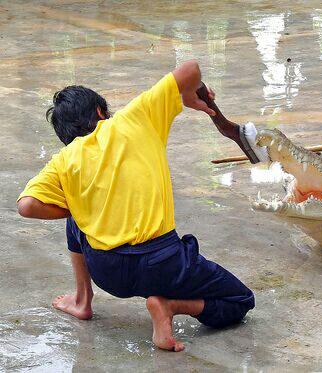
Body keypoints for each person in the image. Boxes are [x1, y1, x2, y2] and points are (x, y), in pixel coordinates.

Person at [16, 60, 255, 352]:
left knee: (76, 212)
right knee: (240, 300)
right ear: (100, 112)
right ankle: (170, 306)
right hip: (164, 265)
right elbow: (191, 68)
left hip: (108, 273)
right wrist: (192, 92)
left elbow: (27, 205)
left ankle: (82, 300)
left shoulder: (64, 160)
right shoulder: (134, 117)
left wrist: (81, 209)